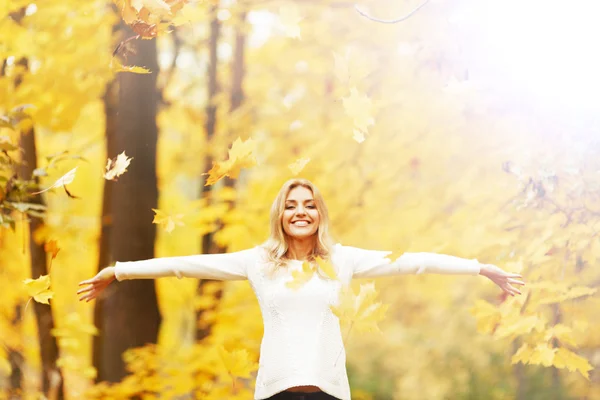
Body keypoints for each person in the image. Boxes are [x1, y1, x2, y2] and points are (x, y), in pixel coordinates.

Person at [78, 178, 525, 400]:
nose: (300, 211)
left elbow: (413, 263)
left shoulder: (343, 260)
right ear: (280, 216)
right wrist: (118, 270)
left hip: (330, 391)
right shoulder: (257, 262)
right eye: (291, 206)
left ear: (319, 215)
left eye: (309, 205)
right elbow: (184, 266)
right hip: (275, 391)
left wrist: (480, 267)